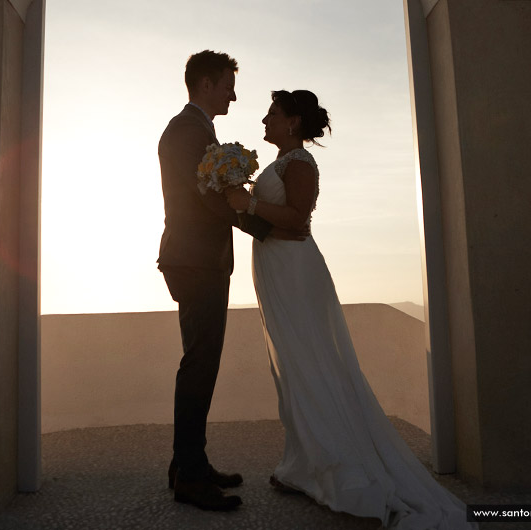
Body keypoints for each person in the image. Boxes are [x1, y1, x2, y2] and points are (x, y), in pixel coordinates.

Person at [224, 90, 475, 529]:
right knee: (291, 369)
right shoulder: (279, 163)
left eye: (273, 114)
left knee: (311, 364)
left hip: (297, 275)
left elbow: (297, 220)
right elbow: (266, 224)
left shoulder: (300, 164)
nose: (264, 119)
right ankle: (304, 464)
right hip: (276, 271)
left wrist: (248, 203)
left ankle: (338, 468)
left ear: (294, 122)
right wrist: (232, 206)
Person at [157, 51, 304, 512]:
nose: (233, 95)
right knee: (200, 363)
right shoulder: (187, 131)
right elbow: (209, 200)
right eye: (226, 86)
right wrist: (264, 228)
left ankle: (188, 464)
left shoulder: (199, 130)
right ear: (204, 84)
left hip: (200, 260)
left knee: (199, 361)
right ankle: (190, 476)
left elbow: (213, 194)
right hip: (196, 261)